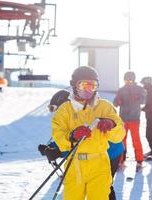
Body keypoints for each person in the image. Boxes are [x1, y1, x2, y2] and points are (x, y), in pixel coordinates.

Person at [51, 66, 126, 200]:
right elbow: (58, 134)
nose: (88, 90)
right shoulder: (65, 110)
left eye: (93, 85)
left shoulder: (104, 107)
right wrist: (72, 136)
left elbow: (119, 135)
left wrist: (111, 124)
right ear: (74, 85)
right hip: (74, 164)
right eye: (84, 85)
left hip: (99, 164)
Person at [113, 71, 146, 170]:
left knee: (135, 140)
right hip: (123, 119)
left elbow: (144, 100)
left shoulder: (139, 89)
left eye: (129, 79)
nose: (128, 82)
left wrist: (138, 98)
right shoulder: (121, 90)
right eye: (126, 80)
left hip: (134, 118)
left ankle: (139, 161)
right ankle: (121, 160)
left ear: (133, 79)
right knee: (122, 140)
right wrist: (117, 101)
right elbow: (115, 103)